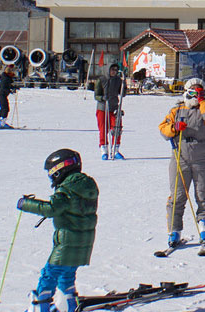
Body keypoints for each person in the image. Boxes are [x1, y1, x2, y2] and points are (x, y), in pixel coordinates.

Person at [18, 149, 98, 312]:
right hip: (84, 242)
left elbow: (51, 208)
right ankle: (68, 304)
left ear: (59, 170)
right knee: (67, 274)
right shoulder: (86, 187)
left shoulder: (67, 190)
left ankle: (40, 307)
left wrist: (25, 204)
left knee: (49, 274)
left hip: (67, 242)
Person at [158, 78, 205, 249]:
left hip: (203, 156)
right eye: (192, 91)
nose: (195, 95)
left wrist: (202, 101)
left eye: (199, 91)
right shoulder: (177, 110)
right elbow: (163, 130)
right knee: (177, 195)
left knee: (203, 193)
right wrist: (174, 127)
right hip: (181, 155)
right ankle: (174, 231)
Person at [93, 63, 125, 160]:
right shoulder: (101, 80)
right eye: (112, 70)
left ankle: (115, 150)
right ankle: (104, 150)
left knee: (117, 128)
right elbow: (96, 95)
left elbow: (122, 93)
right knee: (103, 129)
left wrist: (124, 87)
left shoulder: (118, 80)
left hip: (114, 107)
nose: (114, 72)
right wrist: (102, 98)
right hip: (103, 108)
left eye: (116, 70)